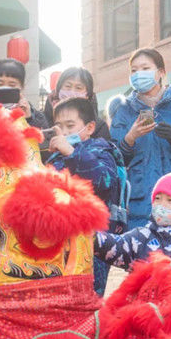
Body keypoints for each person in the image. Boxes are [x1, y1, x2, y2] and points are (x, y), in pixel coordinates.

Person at [109, 48, 171, 228]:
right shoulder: (123, 110)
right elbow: (113, 160)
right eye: (134, 70)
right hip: (138, 206)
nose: (139, 74)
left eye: (145, 68)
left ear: (161, 72)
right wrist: (130, 138)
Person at [47, 97, 124, 296]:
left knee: (91, 292)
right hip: (59, 238)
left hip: (94, 241)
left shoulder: (101, 150)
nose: (63, 132)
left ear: (89, 127)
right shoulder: (55, 157)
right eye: (59, 126)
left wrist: (71, 153)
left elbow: (103, 181)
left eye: (70, 126)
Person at [94, 172, 171, 270]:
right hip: (146, 301)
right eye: (157, 198)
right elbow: (115, 246)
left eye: (170, 201)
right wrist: (90, 236)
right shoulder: (142, 237)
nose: (161, 205)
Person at [43, 66, 110, 139]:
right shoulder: (42, 119)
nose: (72, 91)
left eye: (78, 88)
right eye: (68, 86)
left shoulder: (99, 126)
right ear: (59, 89)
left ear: (87, 94)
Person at [0, 58, 48, 129]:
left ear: (22, 87)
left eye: (12, 85)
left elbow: (41, 138)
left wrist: (28, 119)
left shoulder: (37, 117)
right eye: (0, 84)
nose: (5, 88)